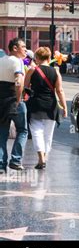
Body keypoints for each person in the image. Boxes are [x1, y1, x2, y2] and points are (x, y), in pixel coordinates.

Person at [24, 47, 67, 170]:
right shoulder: (56, 72)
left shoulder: (32, 70)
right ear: (49, 58)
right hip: (51, 105)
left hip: (35, 104)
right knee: (48, 134)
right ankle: (45, 157)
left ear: (36, 58)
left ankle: (41, 158)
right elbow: (59, 90)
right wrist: (64, 107)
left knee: (36, 132)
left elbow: (25, 87)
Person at [0, 38, 28, 171]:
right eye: (23, 46)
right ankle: (15, 160)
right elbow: (18, 80)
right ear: (15, 48)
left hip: (1, 100)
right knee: (22, 130)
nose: (26, 49)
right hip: (13, 99)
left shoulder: (1, 60)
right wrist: (18, 98)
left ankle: (1, 164)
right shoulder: (18, 61)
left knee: (2, 132)